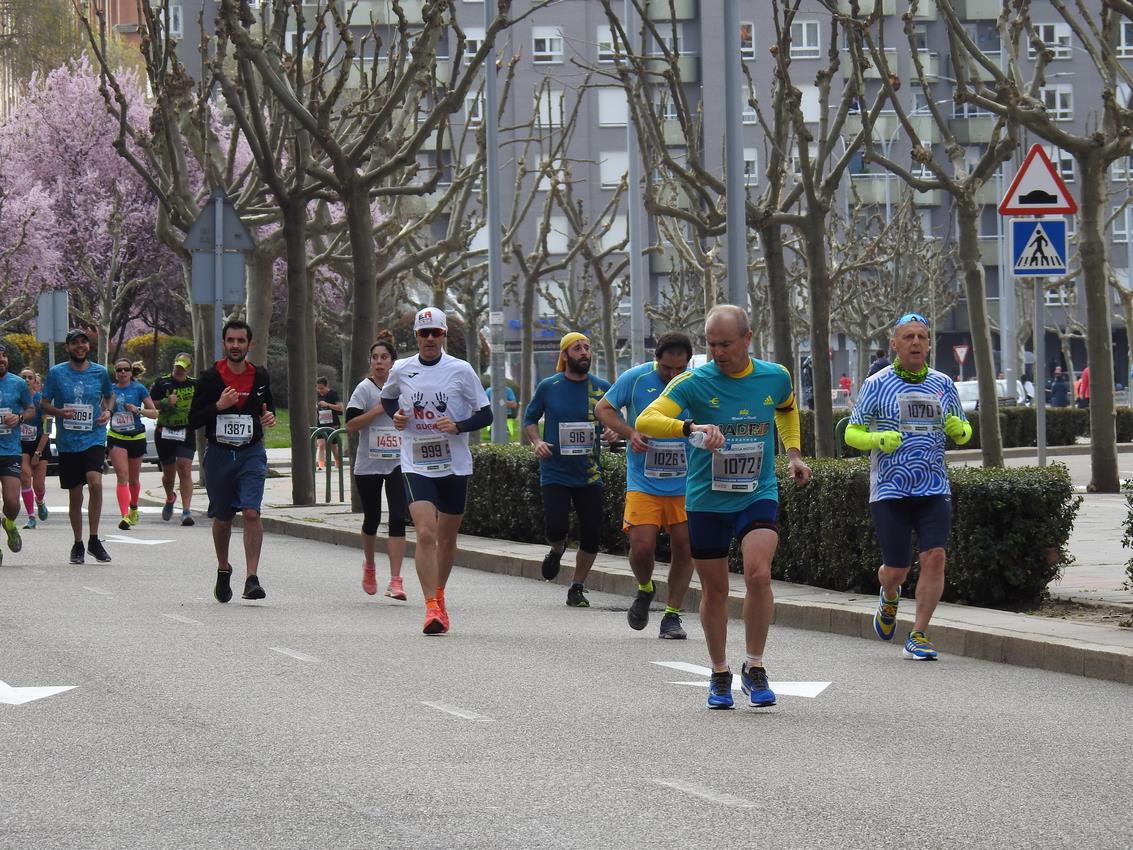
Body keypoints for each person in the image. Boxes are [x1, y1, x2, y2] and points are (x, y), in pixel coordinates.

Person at [637, 305, 811, 710]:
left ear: (747, 339)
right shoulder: (693, 383)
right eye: (712, 344)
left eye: (726, 344)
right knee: (715, 590)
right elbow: (647, 419)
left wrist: (793, 454)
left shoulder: (775, 376)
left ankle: (755, 666)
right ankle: (719, 672)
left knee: (759, 573)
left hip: (756, 491)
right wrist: (690, 428)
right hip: (707, 500)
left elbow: (785, 408)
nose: (717, 352)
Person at [843, 312, 971, 662]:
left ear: (929, 344)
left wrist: (961, 431)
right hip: (889, 489)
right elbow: (851, 432)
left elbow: (961, 424)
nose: (916, 342)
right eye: (909, 337)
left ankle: (919, 633)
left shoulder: (944, 383)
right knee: (897, 569)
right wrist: (877, 438)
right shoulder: (877, 384)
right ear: (895, 344)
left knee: (935, 557)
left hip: (933, 485)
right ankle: (889, 592)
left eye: (922, 337)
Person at [380, 307, 492, 634]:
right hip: (416, 461)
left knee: (447, 536)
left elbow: (486, 415)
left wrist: (458, 426)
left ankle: (440, 595)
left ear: (444, 335)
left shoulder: (461, 370)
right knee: (426, 531)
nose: (429, 338)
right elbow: (389, 401)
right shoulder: (401, 369)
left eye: (435, 333)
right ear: (416, 336)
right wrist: (397, 417)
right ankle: (430, 608)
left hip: (454, 463)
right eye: (423, 333)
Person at [595, 331, 696, 640]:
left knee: (684, 547)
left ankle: (672, 615)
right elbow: (603, 409)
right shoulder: (636, 378)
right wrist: (630, 433)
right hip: (644, 480)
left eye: (680, 369)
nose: (674, 375)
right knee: (641, 547)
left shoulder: (697, 382)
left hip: (687, 481)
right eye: (668, 369)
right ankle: (645, 587)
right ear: (657, 360)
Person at [188, 319, 276, 603]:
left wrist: (269, 416)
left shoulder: (260, 376)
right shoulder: (210, 377)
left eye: (241, 341)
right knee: (223, 518)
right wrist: (219, 406)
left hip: (251, 451)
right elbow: (193, 419)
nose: (236, 346)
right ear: (224, 343)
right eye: (231, 341)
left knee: (251, 512)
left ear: (249, 344)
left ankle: (252, 578)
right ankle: (223, 568)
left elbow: (268, 407)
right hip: (219, 453)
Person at [524, 332, 613, 608]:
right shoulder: (549, 386)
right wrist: (537, 441)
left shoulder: (601, 388)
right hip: (555, 471)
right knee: (556, 526)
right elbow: (529, 418)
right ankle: (557, 548)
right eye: (577, 348)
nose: (584, 352)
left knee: (592, 532)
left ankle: (577, 586)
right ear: (564, 355)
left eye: (587, 347)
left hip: (589, 473)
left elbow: (614, 418)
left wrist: (611, 430)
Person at [39, 328, 114, 564]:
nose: (80, 346)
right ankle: (78, 543)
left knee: (96, 482)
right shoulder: (56, 373)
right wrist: (59, 412)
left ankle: (94, 539)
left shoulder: (100, 372)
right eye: (75, 343)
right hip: (68, 441)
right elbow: (43, 403)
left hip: (94, 437)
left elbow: (110, 396)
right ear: (68, 347)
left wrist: (108, 411)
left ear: (88, 346)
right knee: (75, 495)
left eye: (84, 342)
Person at [345, 333, 408, 600]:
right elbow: (350, 425)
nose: (379, 362)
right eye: (375, 358)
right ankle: (369, 565)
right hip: (369, 463)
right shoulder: (364, 389)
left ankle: (396, 580)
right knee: (372, 518)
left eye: (384, 358)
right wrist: (378, 410)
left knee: (397, 517)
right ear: (370, 362)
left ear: (393, 363)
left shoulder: (404, 388)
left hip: (397, 462)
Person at [107, 359, 157, 531]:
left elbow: (154, 413)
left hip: (136, 437)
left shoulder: (138, 388)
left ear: (131, 372)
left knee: (134, 479)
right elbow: (103, 410)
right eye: (119, 370)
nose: (122, 373)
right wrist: (105, 413)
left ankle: (134, 507)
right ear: (115, 373)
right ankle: (124, 516)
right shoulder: (110, 390)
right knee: (122, 476)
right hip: (116, 436)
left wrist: (138, 409)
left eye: (126, 370)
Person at [150, 352, 198, 525]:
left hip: (186, 432)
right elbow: (150, 403)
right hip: (165, 432)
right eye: (177, 367)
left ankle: (186, 511)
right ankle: (170, 498)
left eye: (182, 368)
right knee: (168, 475)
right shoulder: (161, 382)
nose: (179, 371)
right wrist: (165, 402)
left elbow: (203, 403)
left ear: (188, 369)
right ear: (173, 365)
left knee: (184, 469)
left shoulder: (194, 384)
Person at [0, 346, 34, 564]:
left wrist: (19, 418)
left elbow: (31, 409)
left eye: (2, 356)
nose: (0, 360)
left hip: (10, 450)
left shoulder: (18, 383)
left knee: (12, 502)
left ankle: (10, 524)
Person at [17, 369, 50, 529]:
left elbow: (48, 429)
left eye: (30, 377)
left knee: (39, 485)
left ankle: (40, 501)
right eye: (23, 377)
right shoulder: (14, 399)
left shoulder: (40, 400)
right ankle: (31, 517)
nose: (26, 380)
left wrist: (38, 452)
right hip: (21, 444)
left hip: (40, 444)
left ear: (34, 381)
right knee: (25, 477)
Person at [315, 376, 344, 469]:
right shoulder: (316, 395)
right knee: (321, 444)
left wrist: (327, 405)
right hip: (321, 422)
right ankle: (321, 465)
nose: (320, 390)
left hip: (333, 423)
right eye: (318, 388)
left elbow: (340, 407)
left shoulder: (333, 394)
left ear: (326, 386)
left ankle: (338, 463)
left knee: (333, 446)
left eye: (322, 388)